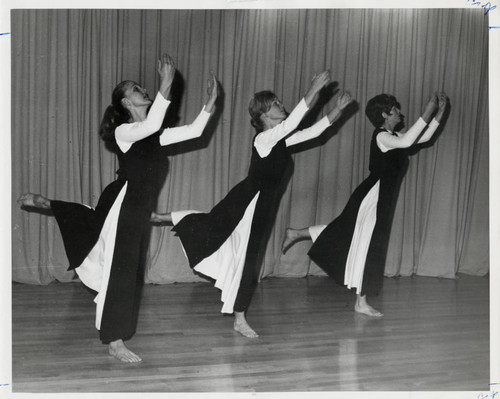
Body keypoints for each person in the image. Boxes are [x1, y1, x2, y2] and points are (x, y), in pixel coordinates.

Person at [17, 54, 219, 362]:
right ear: (126, 103)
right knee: (119, 272)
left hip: (136, 209)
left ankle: (50, 205)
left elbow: (194, 131)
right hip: (122, 205)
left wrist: (211, 102)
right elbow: (151, 123)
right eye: (135, 88)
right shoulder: (124, 132)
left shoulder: (155, 136)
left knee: (124, 272)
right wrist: (166, 81)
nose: (142, 90)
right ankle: (114, 341)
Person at [151, 71, 353, 338]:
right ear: (263, 116)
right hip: (248, 200)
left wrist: (337, 109)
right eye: (276, 104)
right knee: (225, 238)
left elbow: (315, 130)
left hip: (262, 205)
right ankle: (239, 317)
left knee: (245, 256)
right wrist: (313, 89)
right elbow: (292, 123)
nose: (282, 105)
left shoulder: (281, 139)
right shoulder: (264, 139)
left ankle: (164, 218)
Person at [281, 91, 448, 317]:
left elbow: (422, 138)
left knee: (349, 235)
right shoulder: (382, 137)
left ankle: (296, 233)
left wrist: (439, 113)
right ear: (384, 114)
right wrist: (428, 110)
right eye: (395, 109)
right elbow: (409, 140)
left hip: (379, 197)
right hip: (372, 197)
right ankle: (361, 302)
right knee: (365, 243)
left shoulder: (393, 135)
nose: (400, 112)